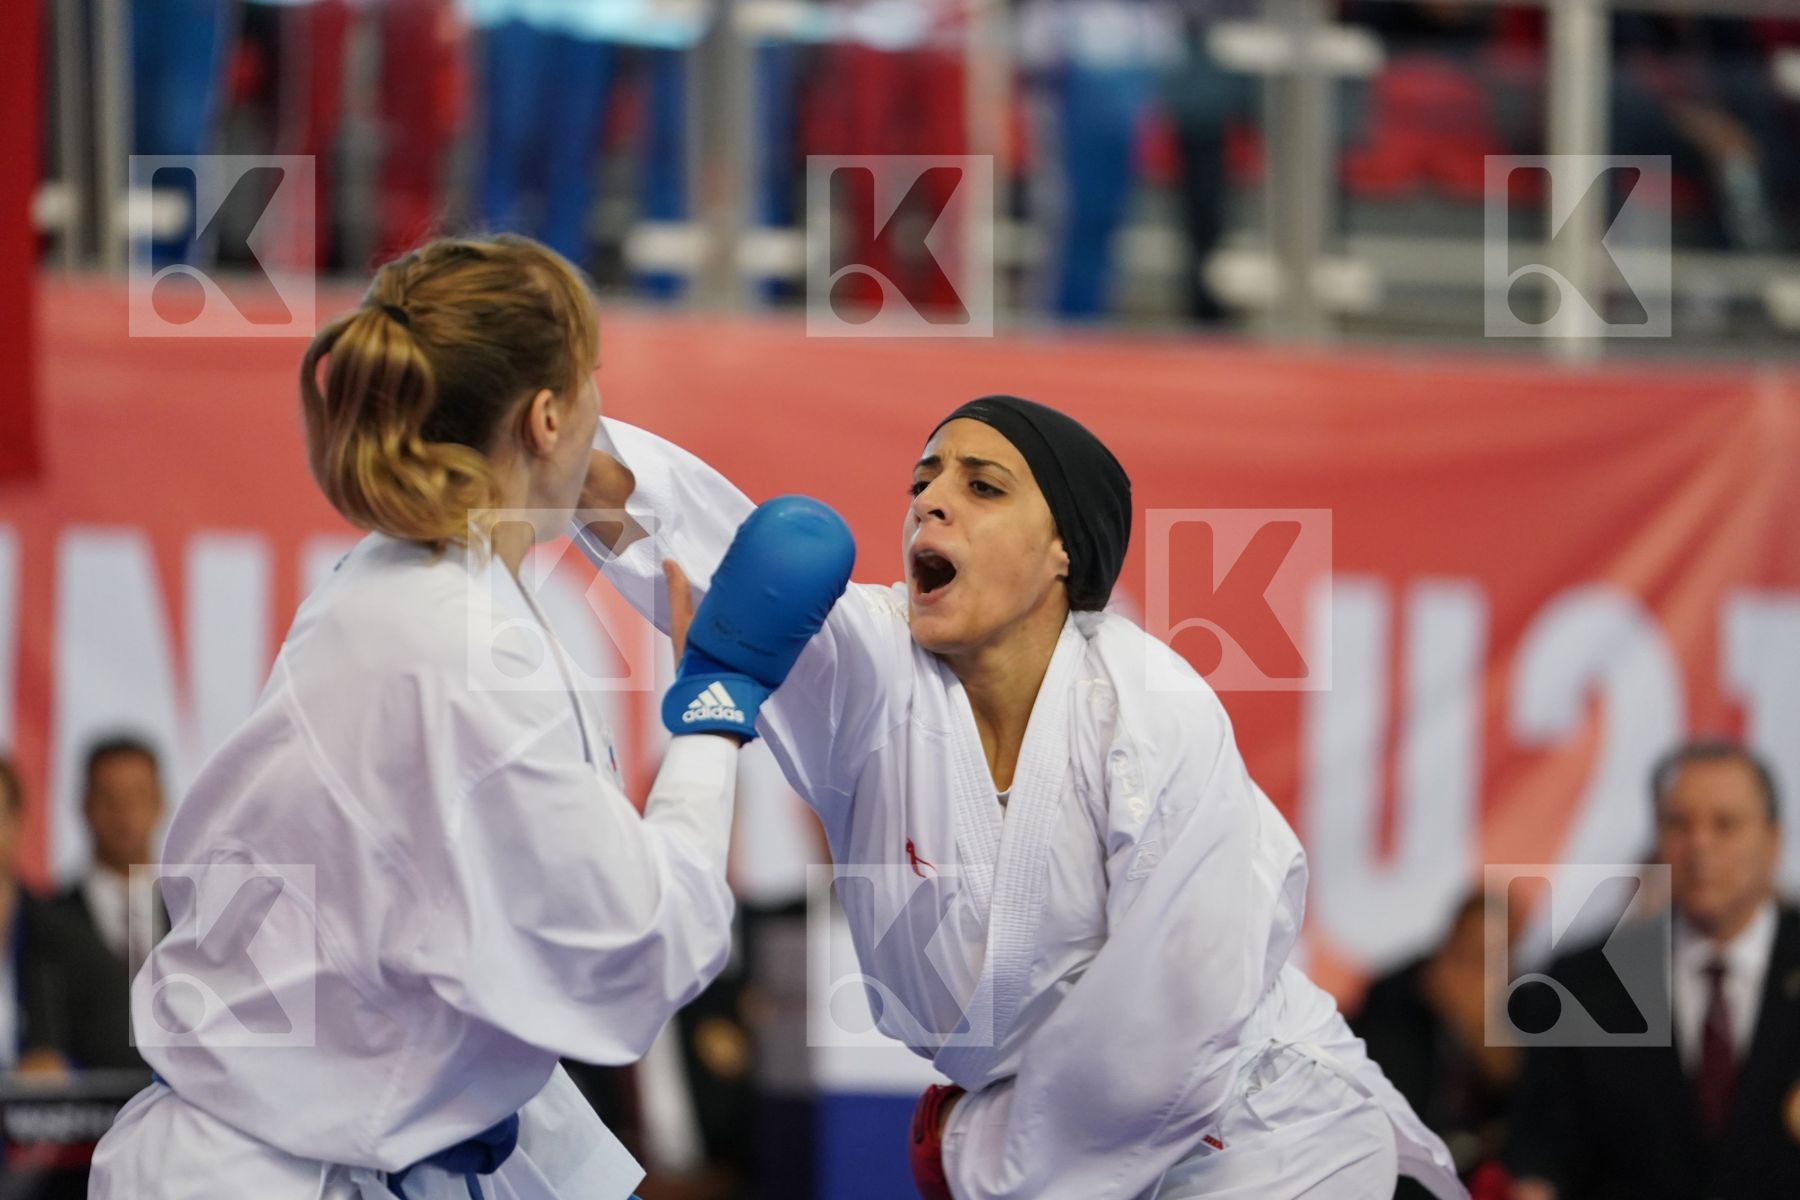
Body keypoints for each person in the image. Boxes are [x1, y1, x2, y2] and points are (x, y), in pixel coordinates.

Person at [88, 234, 854, 1199]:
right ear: (544, 418)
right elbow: (641, 952)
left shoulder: (406, 579)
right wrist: (714, 710)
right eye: (591, 390)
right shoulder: (460, 656)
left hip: (316, 1138)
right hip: (274, 1167)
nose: (601, 421)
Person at [574, 394, 1464, 1198]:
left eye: (983, 486)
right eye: (923, 480)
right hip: (1041, 1138)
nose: (930, 498)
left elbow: (1172, 1024)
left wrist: (985, 1152)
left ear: (1062, 552)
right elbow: (704, 552)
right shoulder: (875, 673)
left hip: (1262, 1139)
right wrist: (542, 430)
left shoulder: (1150, 713)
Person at [1504, 740, 1800, 1200]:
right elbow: (1542, 1160)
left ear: (1772, 841)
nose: (1699, 845)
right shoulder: (1583, 983)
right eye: (1678, 824)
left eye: (1725, 825)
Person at [1353, 892, 1521, 1198]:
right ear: (1451, 937)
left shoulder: (1518, 1004)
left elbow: (1525, 1095)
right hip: (1393, 1167)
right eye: (1470, 951)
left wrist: (1479, 1029)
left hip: (1470, 1172)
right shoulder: (1397, 992)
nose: (1476, 969)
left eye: (1494, 957)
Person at [43, 734, 166, 1072]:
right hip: (82, 1117)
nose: (124, 814)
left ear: (160, 802)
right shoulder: (47, 920)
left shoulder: (196, 914)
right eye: (109, 799)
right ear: (84, 806)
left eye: (137, 797)